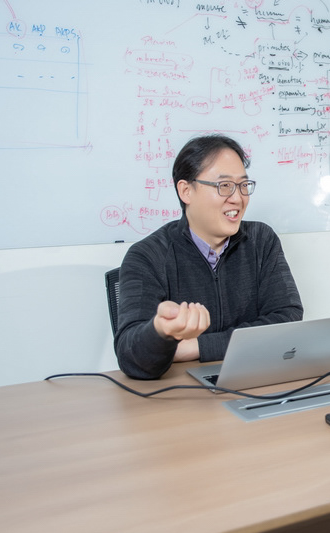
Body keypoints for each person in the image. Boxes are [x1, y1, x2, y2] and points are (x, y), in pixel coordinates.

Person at [114, 134, 303, 380]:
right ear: (186, 191)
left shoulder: (261, 240)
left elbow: (287, 321)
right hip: (182, 395)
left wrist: (196, 347)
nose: (237, 198)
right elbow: (130, 356)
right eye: (224, 186)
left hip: (254, 383)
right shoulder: (147, 256)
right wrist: (160, 332)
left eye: (243, 185)